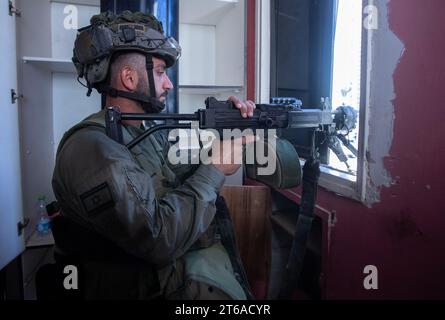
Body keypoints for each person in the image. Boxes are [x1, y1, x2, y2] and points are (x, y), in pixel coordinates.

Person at [51, 10, 256, 300]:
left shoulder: (145, 132)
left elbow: (180, 174)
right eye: (160, 72)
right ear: (129, 77)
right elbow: (157, 238)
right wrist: (215, 169)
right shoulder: (92, 148)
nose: (169, 84)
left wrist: (230, 125)